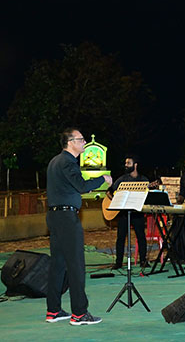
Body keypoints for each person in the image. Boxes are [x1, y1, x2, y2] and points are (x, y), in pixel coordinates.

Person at [46, 127, 112, 325]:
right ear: (70, 142)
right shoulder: (68, 162)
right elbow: (81, 186)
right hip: (66, 218)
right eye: (81, 139)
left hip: (54, 216)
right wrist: (103, 179)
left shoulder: (54, 161)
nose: (84, 142)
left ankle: (53, 310)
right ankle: (79, 313)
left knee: (58, 264)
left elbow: (70, 186)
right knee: (75, 265)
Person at [107, 154, 149, 269]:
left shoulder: (143, 180)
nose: (126, 165)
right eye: (125, 163)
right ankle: (118, 262)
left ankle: (143, 260)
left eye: (128, 163)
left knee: (141, 236)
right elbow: (109, 192)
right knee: (120, 237)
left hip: (137, 213)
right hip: (123, 213)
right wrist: (115, 200)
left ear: (135, 165)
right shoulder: (122, 179)